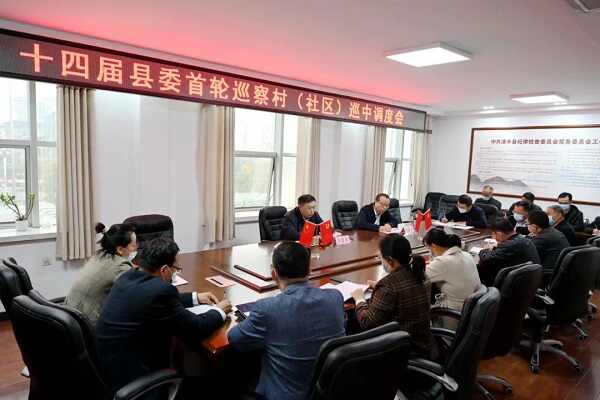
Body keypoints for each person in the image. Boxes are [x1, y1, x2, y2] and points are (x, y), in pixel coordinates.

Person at [96, 237, 231, 394]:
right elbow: (196, 327)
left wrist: (195, 298)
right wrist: (219, 311)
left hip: (108, 367)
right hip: (135, 377)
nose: (176, 273)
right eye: (176, 269)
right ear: (164, 269)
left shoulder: (128, 276)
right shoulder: (160, 291)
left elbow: (153, 299)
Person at [228, 241, 345, 400]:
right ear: (309, 270)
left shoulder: (267, 309)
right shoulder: (335, 297)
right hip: (328, 391)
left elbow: (235, 339)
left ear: (274, 274)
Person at [351, 233, 433, 357]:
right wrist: (379, 287)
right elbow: (402, 288)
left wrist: (359, 299)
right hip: (422, 344)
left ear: (389, 260)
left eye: (381, 257)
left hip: (400, 351)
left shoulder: (388, 285)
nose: (380, 260)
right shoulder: (420, 274)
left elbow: (367, 323)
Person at [65, 222, 136, 326]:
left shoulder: (99, 255)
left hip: (69, 315)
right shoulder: (121, 265)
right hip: (89, 324)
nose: (136, 248)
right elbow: (133, 295)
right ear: (120, 249)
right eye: (133, 245)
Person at [423, 228, 481, 311]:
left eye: (428, 248)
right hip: (473, 306)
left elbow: (420, 276)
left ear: (433, 246)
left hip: (455, 309)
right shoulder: (466, 254)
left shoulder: (442, 262)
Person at [477, 218, 541, 287]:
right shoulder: (524, 239)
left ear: (499, 233)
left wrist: (484, 250)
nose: (493, 237)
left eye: (493, 234)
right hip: (530, 281)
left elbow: (486, 259)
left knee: (482, 268)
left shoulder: (509, 245)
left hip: (517, 285)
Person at [527, 211, 570, 281]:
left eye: (527, 224)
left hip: (547, 274)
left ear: (534, 226)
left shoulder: (542, 238)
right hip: (560, 272)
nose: (527, 226)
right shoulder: (554, 231)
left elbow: (528, 256)